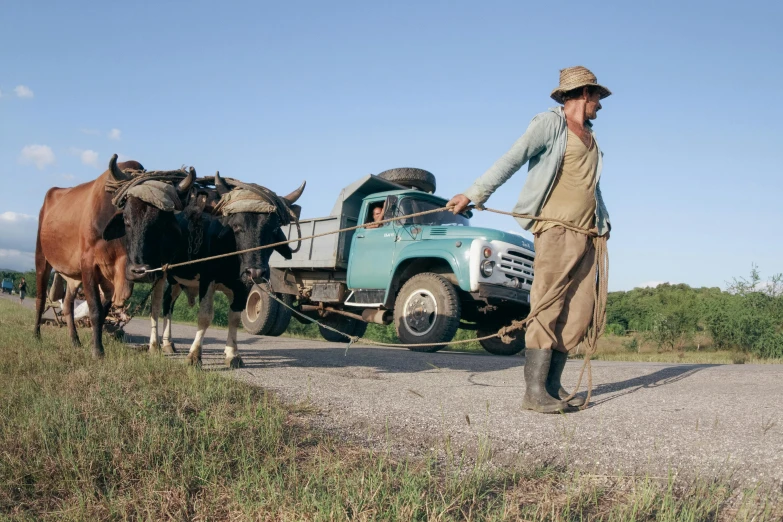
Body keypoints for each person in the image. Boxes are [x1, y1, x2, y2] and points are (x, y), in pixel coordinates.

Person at [448, 66, 612, 413]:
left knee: (579, 311)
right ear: (583, 93)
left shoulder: (591, 135)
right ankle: (534, 392)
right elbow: (513, 157)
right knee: (547, 306)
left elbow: (590, 185)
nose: (600, 103)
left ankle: (553, 387)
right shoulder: (550, 124)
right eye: (597, 96)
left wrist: (603, 220)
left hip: (587, 235)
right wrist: (473, 193)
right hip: (555, 230)